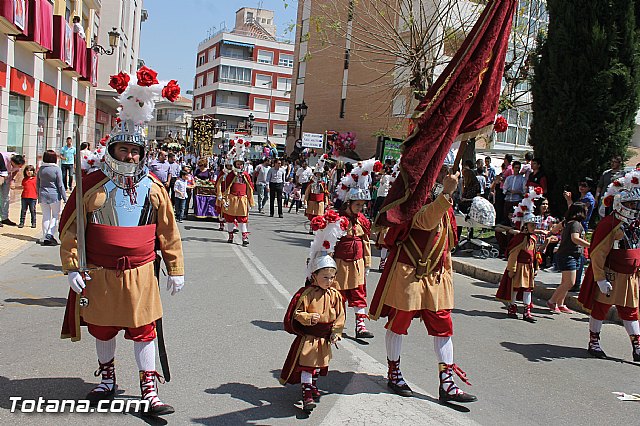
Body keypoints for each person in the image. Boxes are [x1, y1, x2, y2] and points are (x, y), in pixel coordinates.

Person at [59, 75, 185, 416]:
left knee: (143, 329)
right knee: (103, 326)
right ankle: (107, 379)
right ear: (112, 149)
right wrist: (71, 266)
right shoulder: (91, 185)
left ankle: (149, 389)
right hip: (98, 272)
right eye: (123, 148)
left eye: (134, 150)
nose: (129, 154)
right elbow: (71, 232)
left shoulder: (155, 187)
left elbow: (169, 232)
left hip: (142, 272)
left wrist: (175, 269)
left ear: (142, 153)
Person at [369, 165, 477, 403]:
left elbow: (447, 244)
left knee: (443, 326)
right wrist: (447, 194)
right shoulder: (415, 200)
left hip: (435, 276)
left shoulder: (444, 206)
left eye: (448, 172)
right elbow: (425, 221)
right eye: (442, 172)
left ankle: (447, 383)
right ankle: (394, 372)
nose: (447, 176)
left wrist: (446, 274)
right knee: (399, 322)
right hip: (409, 271)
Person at [279, 215, 346, 413]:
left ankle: (313, 386)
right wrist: (308, 318)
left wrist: (336, 331)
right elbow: (297, 313)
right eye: (325, 277)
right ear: (314, 276)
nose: (330, 281)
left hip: (324, 338)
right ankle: (306, 392)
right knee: (307, 364)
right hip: (310, 337)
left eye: (332, 277)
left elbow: (340, 315)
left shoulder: (335, 294)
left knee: (319, 364)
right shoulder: (307, 294)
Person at [578, 171, 640, 361]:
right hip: (612, 274)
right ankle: (593, 341)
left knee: (630, 311)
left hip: (631, 276)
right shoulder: (609, 224)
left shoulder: (635, 224)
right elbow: (598, 253)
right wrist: (600, 278)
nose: (633, 207)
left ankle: (637, 347)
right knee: (601, 309)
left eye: (635, 204)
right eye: (629, 204)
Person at [333, 166, 374, 339]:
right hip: (340, 264)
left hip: (357, 263)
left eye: (362, 205)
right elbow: (329, 244)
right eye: (357, 204)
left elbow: (365, 242)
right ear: (348, 203)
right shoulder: (338, 220)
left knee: (358, 293)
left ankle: (361, 325)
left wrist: (367, 263)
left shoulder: (362, 222)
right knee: (339, 294)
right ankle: (337, 325)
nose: (360, 208)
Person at [496, 211, 540, 323]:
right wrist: (512, 268)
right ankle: (512, 307)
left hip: (528, 268)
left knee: (528, 289)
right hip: (519, 267)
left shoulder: (533, 238)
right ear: (525, 226)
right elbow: (513, 254)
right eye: (531, 225)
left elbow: (535, 254)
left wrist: (536, 267)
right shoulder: (519, 238)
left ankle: (527, 311)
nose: (534, 227)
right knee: (515, 288)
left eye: (535, 225)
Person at [546, 203, 590, 313]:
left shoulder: (568, 222)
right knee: (570, 282)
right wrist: (590, 245)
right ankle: (552, 301)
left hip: (573, 254)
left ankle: (560, 303)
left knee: (565, 281)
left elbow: (555, 229)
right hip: (568, 255)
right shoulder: (575, 224)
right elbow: (575, 239)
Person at [222, 140, 254, 246]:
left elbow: (250, 188)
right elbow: (226, 187)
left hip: (242, 199)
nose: (239, 165)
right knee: (230, 218)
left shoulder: (246, 175)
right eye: (238, 164)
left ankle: (244, 237)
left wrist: (250, 201)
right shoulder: (231, 174)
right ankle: (231, 235)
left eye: (241, 164)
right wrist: (224, 199)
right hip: (232, 199)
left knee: (242, 219)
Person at [37, 150, 67, 245]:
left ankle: (44, 236)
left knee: (45, 216)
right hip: (54, 195)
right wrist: (65, 197)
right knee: (55, 215)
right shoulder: (56, 169)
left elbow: (38, 183)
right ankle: (50, 234)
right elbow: (60, 185)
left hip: (42, 195)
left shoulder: (41, 169)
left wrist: (39, 194)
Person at [304, 161, 329, 233]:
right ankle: (311, 228)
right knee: (312, 217)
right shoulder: (311, 183)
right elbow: (307, 194)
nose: (318, 175)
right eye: (317, 174)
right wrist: (305, 202)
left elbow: (325, 194)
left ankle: (318, 229)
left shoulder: (323, 184)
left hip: (320, 202)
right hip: (312, 202)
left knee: (319, 217)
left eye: (320, 174)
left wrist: (326, 203)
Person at [215, 160, 233, 231]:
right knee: (222, 210)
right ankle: (221, 224)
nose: (230, 167)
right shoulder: (223, 173)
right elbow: (218, 184)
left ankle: (232, 225)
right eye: (229, 165)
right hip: (223, 193)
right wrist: (219, 193)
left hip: (231, 195)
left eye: (231, 166)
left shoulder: (234, 173)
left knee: (232, 210)